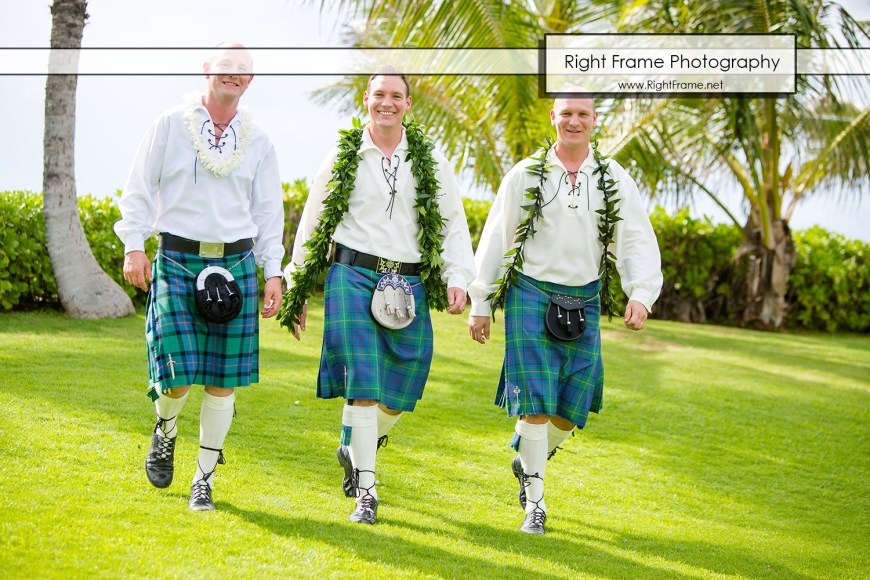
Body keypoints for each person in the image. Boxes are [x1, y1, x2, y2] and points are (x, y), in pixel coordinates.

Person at [283, 67, 475, 525]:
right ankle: (366, 491)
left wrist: (458, 276)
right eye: (378, 95)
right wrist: (296, 286)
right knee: (364, 384)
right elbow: (313, 223)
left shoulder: (429, 158)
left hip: (406, 282)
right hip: (351, 274)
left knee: (405, 382)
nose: (387, 102)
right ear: (365, 100)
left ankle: (354, 445)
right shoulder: (343, 155)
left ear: (408, 104)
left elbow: (452, 222)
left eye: (396, 95)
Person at [468, 97, 662, 534]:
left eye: (583, 114)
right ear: (553, 118)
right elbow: (497, 237)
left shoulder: (613, 178)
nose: (574, 121)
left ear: (595, 121)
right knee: (535, 403)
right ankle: (535, 503)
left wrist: (642, 293)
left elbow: (633, 239)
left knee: (570, 412)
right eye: (566, 113)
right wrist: (482, 303)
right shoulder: (525, 174)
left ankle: (526, 458)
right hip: (530, 294)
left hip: (585, 298)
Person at [114, 42, 285, 511]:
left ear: (250, 81)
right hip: (176, 258)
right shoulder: (170, 125)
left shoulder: (260, 141)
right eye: (224, 67)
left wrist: (274, 273)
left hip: (235, 264)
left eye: (242, 71)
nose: (232, 75)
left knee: (221, 381)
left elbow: (269, 213)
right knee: (176, 378)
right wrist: (134, 245)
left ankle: (203, 479)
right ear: (206, 70)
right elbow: (138, 188)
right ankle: (165, 429)